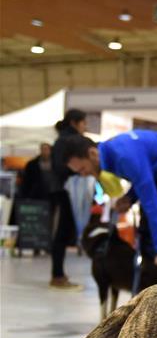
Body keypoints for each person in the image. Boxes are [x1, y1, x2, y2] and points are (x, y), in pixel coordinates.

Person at [62, 130, 157, 276]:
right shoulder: (110, 155)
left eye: (82, 169)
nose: (83, 175)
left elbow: (152, 202)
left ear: (92, 153)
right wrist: (130, 197)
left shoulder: (124, 156)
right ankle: (150, 291)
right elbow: (145, 176)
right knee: (146, 233)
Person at [49, 109, 87, 290]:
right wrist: (77, 170)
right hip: (64, 191)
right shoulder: (66, 140)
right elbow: (59, 167)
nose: (85, 126)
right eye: (83, 122)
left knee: (64, 233)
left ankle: (59, 274)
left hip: (66, 190)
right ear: (74, 122)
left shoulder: (64, 139)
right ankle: (57, 276)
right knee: (61, 234)